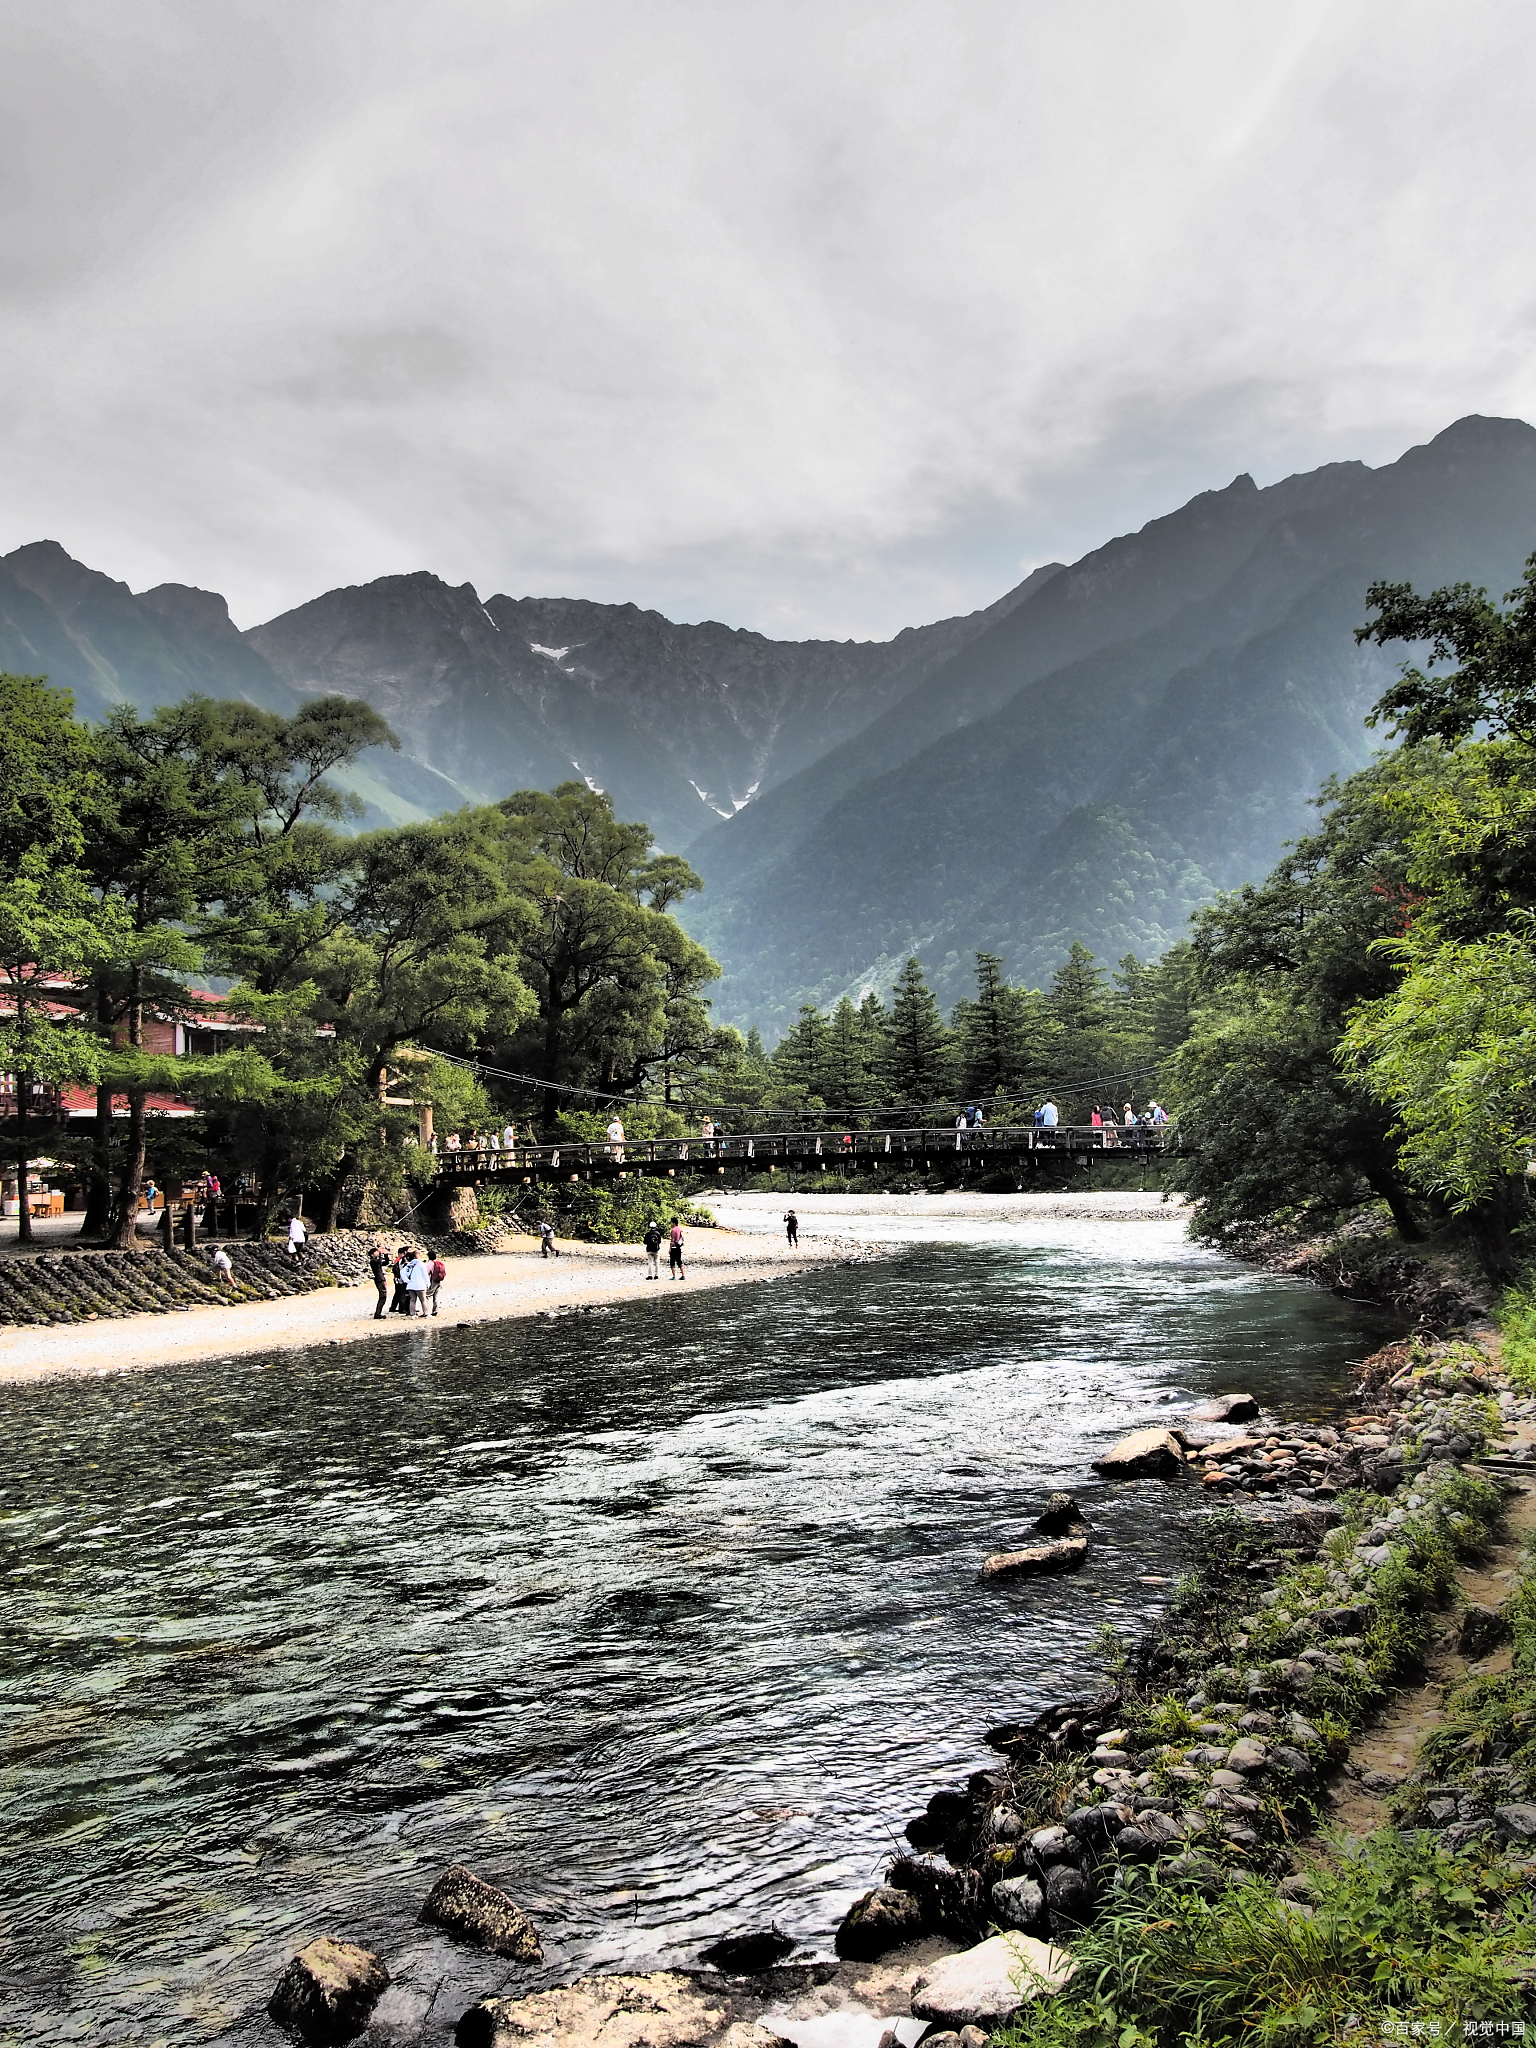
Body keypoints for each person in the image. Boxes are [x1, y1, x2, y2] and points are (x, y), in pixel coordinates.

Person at [404, 1249, 430, 1317]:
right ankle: (426, 1313)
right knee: (423, 1300)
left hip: (411, 1285)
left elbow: (403, 1273)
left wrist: (407, 1281)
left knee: (412, 1300)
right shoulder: (421, 1264)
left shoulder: (409, 1264)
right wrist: (428, 1283)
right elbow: (425, 1275)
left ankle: (412, 1314)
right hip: (420, 1285)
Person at [368, 1242, 390, 1319]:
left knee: (383, 1296)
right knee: (382, 1297)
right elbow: (379, 1261)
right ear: (372, 1254)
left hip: (380, 1279)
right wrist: (381, 1253)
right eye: (375, 1252)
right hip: (379, 1280)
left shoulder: (376, 1261)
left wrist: (386, 1255)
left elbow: (386, 1262)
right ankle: (378, 1313)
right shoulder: (373, 1261)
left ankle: (378, 1313)